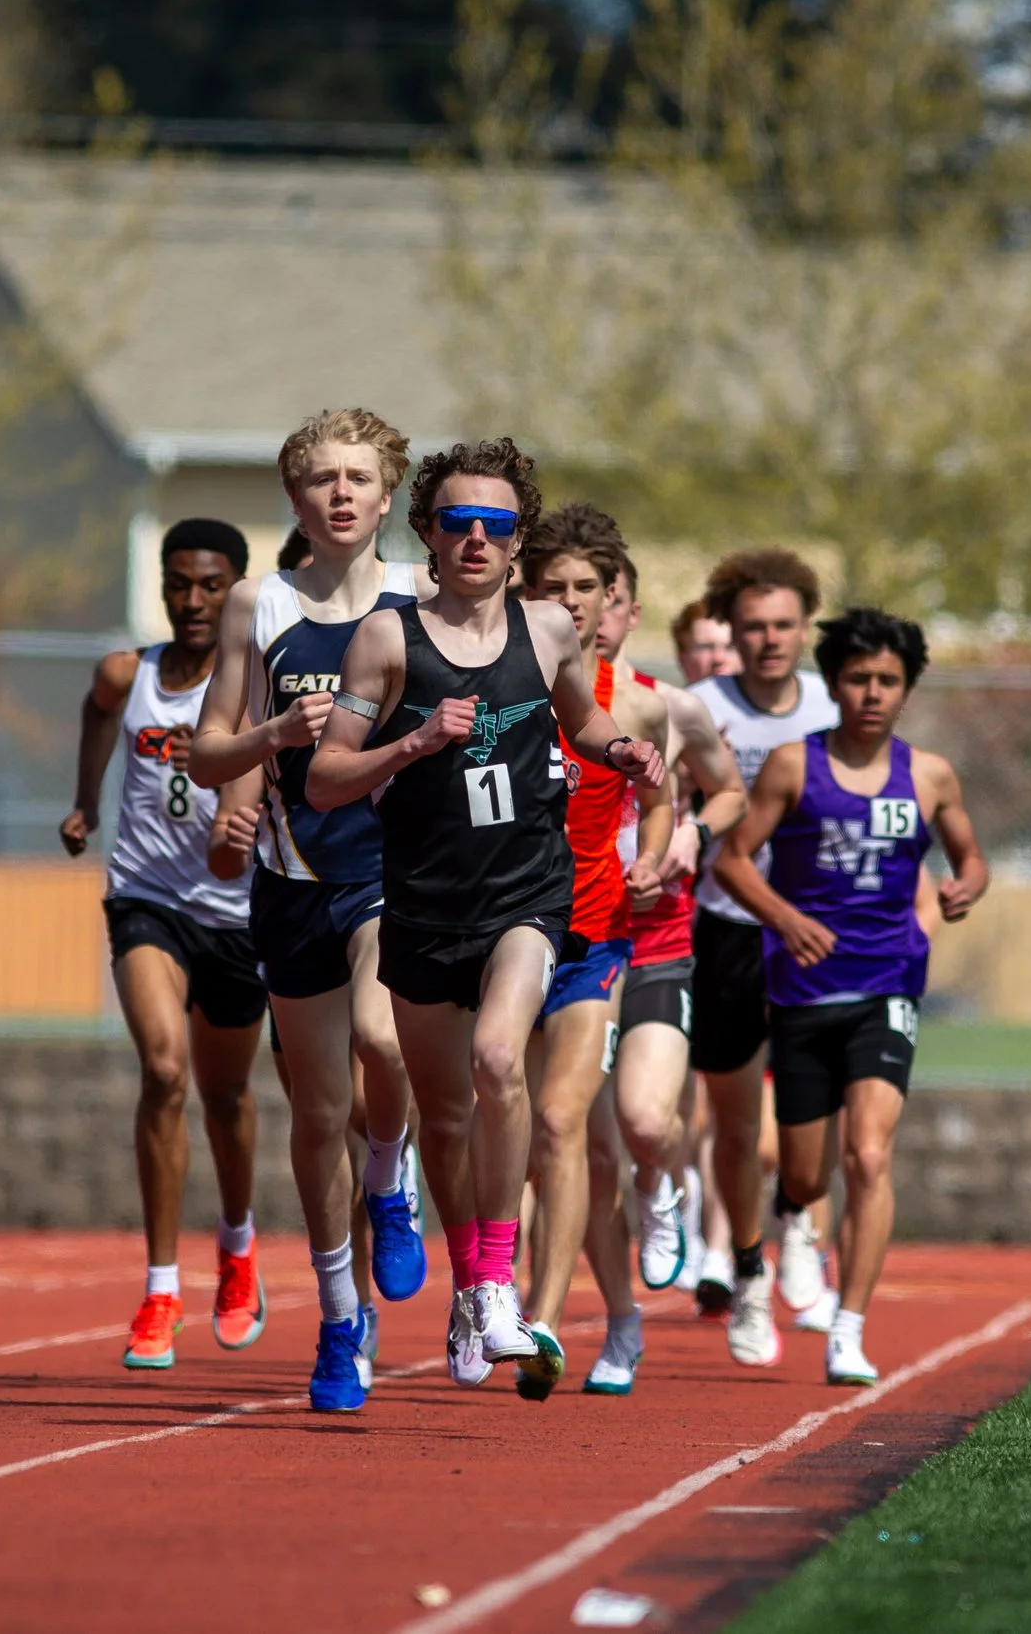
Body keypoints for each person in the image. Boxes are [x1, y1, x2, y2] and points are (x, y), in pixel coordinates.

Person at [303, 438, 664, 1394]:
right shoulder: (386, 638)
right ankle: (471, 1288)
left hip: (525, 893)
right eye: (457, 521)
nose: (475, 538)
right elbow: (324, 777)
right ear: (427, 532)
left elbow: (580, 719)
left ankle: (499, 1283)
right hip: (422, 902)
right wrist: (412, 742)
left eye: (495, 524)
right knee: (449, 1117)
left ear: (516, 542)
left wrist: (621, 747)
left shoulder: (549, 629)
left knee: (502, 1058)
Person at [189, 408, 427, 1414]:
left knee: (385, 1034)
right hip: (290, 881)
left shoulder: (425, 601)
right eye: (319, 478)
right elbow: (206, 754)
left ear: (386, 496)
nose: (339, 493)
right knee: (316, 1110)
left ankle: (392, 1175)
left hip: (398, 872)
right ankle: (339, 1317)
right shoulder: (259, 605)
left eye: (357, 478)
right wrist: (275, 730)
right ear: (295, 498)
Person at [710, 608, 989, 1384]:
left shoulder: (929, 774)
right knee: (804, 1175)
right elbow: (732, 861)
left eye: (888, 681)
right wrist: (786, 919)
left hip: (888, 981)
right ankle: (794, 1223)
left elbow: (970, 856)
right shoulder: (795, 767)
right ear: (833, 683)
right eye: (859, 678)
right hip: (802, 991)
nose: (872, 692)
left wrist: (965, 887)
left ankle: (849, 1326)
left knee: (870, 1154)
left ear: (907, 689)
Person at [60, 519, 268, 1371]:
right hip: (146, 898)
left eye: (210, 586)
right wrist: (87, 802)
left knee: (226, 1097)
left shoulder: (254, 687)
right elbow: (97, 711)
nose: (192, 601)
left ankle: (239, 1241)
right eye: (178, 583)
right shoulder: (128, 672)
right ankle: (159, 1287)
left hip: (237, 913)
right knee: (164, 1069)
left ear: (236, 591)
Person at [512, 504, 673, 1398]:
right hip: (499, 933)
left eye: (586, 588)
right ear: (523, 591)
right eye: (551, 586)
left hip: (591, 936)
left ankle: (541, 1320)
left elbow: (660, 796)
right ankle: (613, 1312)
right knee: (531, 1139)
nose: (570, 602)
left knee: (560, 1125)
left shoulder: (636, 699)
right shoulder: (497, 678)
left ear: (611, 597)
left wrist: (650, 861)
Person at [686, 548, 839, 1367]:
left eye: (783, 624)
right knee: (738, 1125)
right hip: (726, 932)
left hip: (817, 934)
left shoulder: (829, 702)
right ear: (731, 632)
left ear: (806, 627)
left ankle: (802, 1222)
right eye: (753, 626)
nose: (769, 639)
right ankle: (748, 1273)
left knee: (817, 1114)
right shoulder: (699, 707)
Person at [591, 568, 746, 1312]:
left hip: (654, 935)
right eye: (559, 593)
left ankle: (660, 1182)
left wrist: (692, 830)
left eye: (604, 597)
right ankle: (609, 1320)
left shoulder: (669, 705)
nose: (586, 611)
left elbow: (730, 790)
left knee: (647, 1121)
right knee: (571, 1144)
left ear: (629, 610)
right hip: (560, 939)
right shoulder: (519, 701)